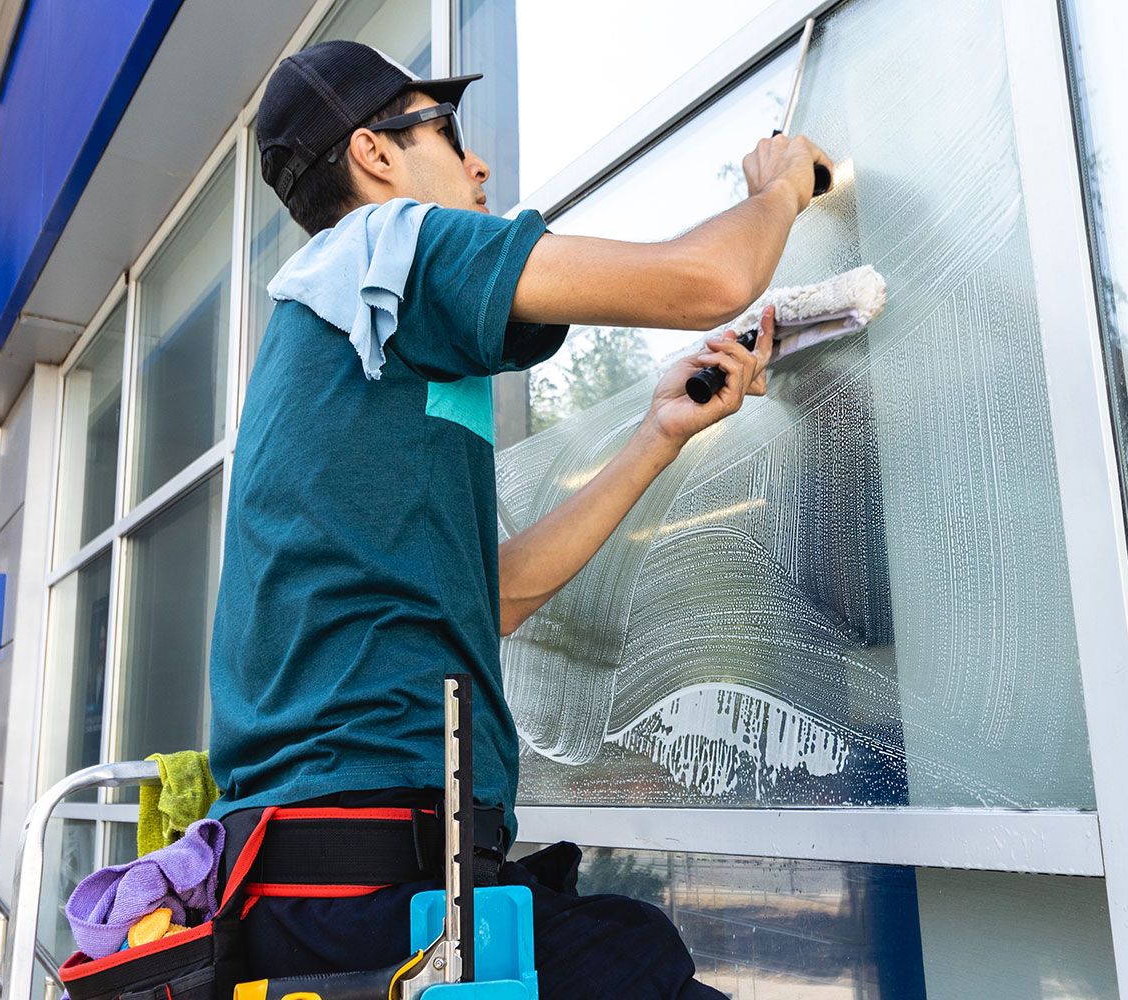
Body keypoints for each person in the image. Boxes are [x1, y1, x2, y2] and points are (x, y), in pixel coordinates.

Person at [206, 39, 832, 1000]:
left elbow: (489, 598)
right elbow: (707, 280)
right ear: (374, 154)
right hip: (387, 884)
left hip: (310, 901)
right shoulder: (387, 248)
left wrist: (656, 437)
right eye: (445, 132)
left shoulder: (339, 331)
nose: (479, 165)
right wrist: (781, 186)